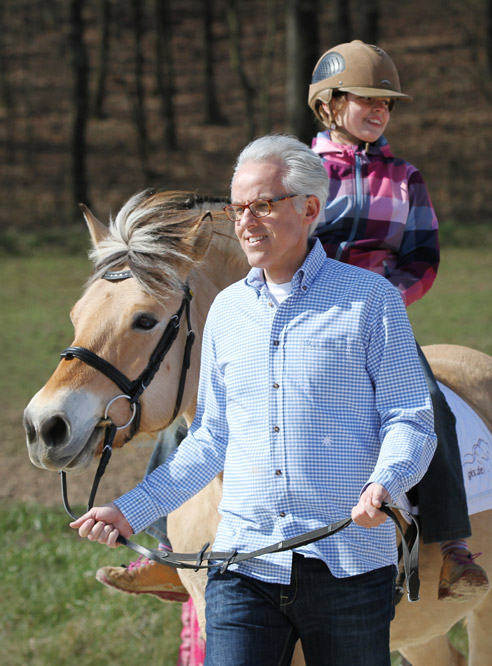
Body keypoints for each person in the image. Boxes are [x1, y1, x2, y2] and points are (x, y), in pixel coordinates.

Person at [71, 134, 437, 666]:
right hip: (243, 567)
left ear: (309, 208)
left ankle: (452, 541)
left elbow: (409, 418)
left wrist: (388, 480)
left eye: (262, 205)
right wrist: (130, 511)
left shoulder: (371, 302)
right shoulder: (226, 314)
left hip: (348, 567)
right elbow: (211, 440)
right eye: (239, 207)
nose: (245, 221)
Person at [307, 39, 489, 600]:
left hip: (377, 321)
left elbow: (422, 258)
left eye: (388, 103)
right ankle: (169, 547)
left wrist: (384, 298)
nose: (381, 110)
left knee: (433, 410)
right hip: (300, 314)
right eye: (368, 98)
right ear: (329, 104)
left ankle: (454, 546)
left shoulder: (405, 176)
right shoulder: (296, 171)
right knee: (205, 388)